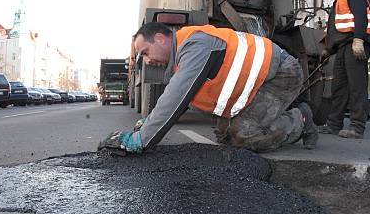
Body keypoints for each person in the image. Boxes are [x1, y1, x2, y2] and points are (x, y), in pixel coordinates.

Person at [98, 23, 318, 155]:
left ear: (160, 38)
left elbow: (177, 97)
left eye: (145, 52)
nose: (145, 61)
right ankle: (279, 119)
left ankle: (300, 120)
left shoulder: (195, 43)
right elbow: (173, 98)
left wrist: (142, 139)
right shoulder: (178, 62)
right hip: (256, 85)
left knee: (243, 137)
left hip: (280, 74)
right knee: (225, 137)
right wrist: (148, 123)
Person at [319, 0, 370, 139]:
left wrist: (358, 39)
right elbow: (336, 31)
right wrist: (329, 50)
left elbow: (361, 17)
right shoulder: (337, 3)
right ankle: (333, 124)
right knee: (339, 87)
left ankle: (357, 127)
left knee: (356, 86)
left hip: (355, 44)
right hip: (344, 47)